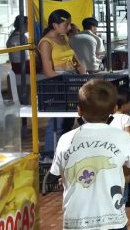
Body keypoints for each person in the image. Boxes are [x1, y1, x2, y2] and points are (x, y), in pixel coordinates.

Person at [49, 79, 130, 230]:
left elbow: (58, 173)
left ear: (79, 110)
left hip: (76, 220)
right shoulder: (122, 137)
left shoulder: (65, 139)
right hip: (112, 219)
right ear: (113, 108)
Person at [39, 9, 86, 161]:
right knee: (57, 121)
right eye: (66, 24)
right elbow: (48, 71)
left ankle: (63, 153)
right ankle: (49, 156)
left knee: (68, 119)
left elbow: (75, 60)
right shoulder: (46, 43)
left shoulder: (64, 37)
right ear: (54, 25)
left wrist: (83, 75)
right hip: (57, 82)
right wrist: (65, 82)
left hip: (71, 80)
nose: (70, 27)